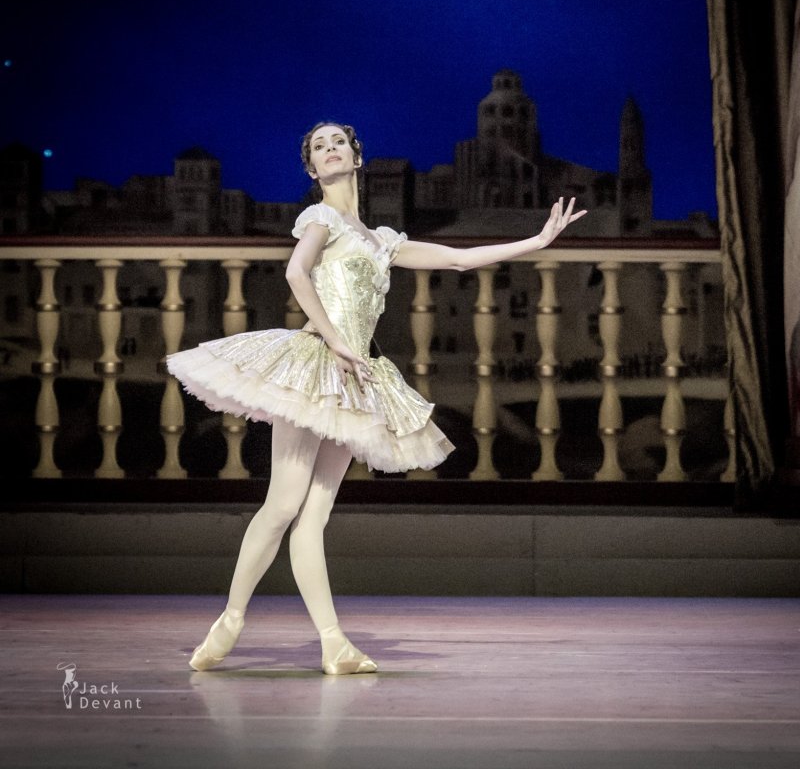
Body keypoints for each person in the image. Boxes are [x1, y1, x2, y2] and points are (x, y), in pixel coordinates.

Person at [167, 122, 586, 675]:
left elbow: (458, 259)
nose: (330, 149)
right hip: (317, 365)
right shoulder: (321, 219)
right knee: (283, 506)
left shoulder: (382, 240)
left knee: (313, 518)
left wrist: (536, 241)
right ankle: (231, 619)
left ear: (357, 157)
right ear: (312, 169)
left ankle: (333, 645)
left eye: (337, 142)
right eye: (319, 147)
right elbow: (296, 273)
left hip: (358, 377)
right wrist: (337, 343)